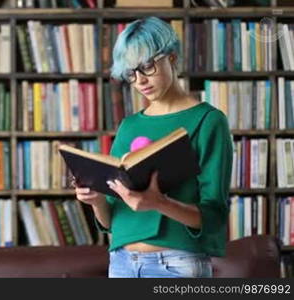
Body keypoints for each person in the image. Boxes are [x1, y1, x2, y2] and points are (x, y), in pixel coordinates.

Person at [73, 16, 233, 278]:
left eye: (146, 66)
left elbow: (214, 217)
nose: (140, 81)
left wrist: (159, 203)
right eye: (130, 73)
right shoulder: (129, 126)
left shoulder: (208, 120)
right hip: (122, 263)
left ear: (171, 57)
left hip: (176, 264)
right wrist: (97, 201)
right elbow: (110, 220)